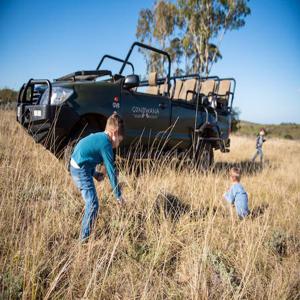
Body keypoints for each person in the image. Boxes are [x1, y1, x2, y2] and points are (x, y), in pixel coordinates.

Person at [70, 112, 125, 241]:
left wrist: (95, 174)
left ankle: (85, 236)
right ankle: (83, 239)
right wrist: (118, 196)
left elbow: (88, 154)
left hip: (79, 164)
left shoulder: (101, 137)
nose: (118, 143)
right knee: (93, 203)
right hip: (80, 170)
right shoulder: (106, 144)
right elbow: (111, 172)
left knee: (92, 200)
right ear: (114, 133)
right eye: (120, 140)